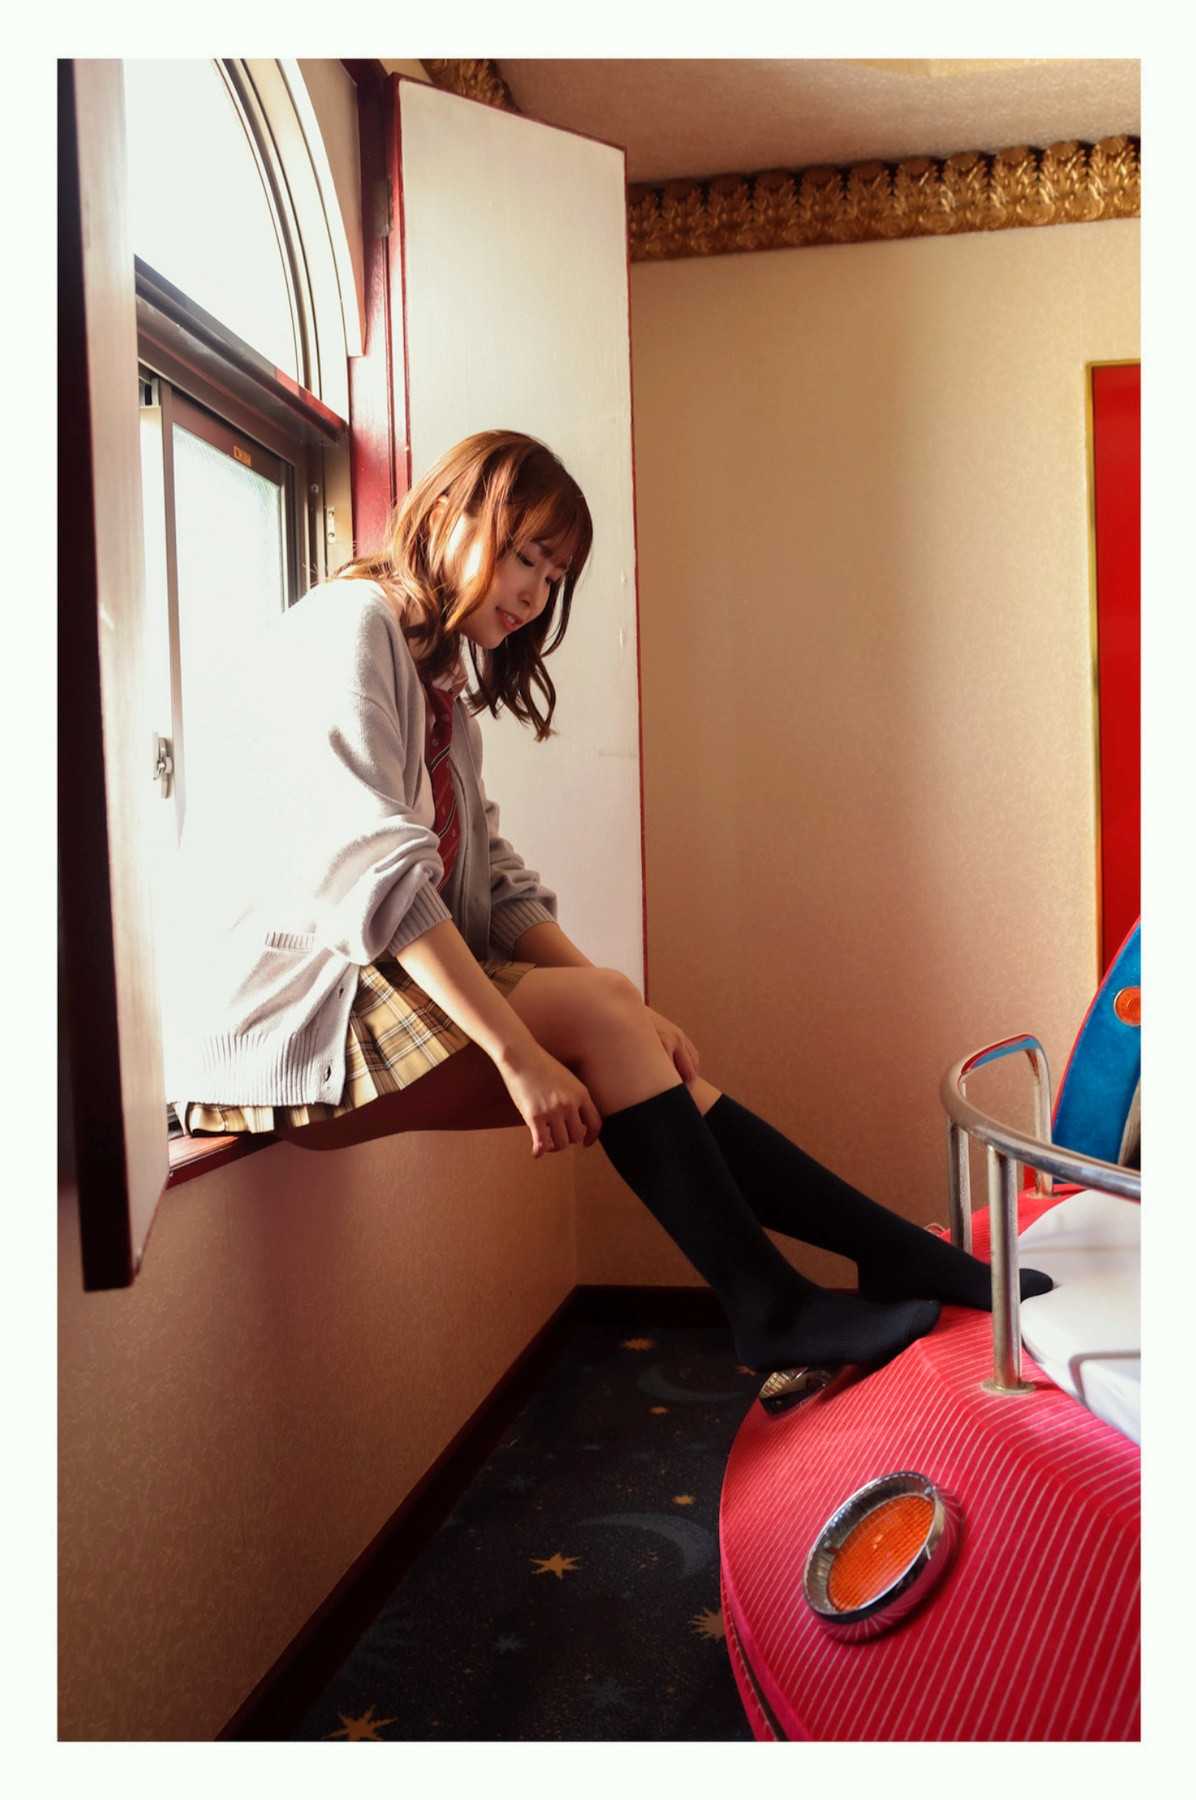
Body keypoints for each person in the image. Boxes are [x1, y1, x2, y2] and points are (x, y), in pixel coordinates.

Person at [163, 428, 1050, 1374]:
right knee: (602, 1014)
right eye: (526, 556)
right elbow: (372, 873)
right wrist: (520, 1057)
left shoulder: (439, 684)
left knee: (617, 1013)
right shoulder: (350, 627)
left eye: (554, 576)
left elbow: (496, 883)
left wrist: (626, 1010)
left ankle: (878, 1258)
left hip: (357, 992)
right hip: (283, 1021)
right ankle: (778, 1306)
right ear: (452, 513)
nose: (535, 593)